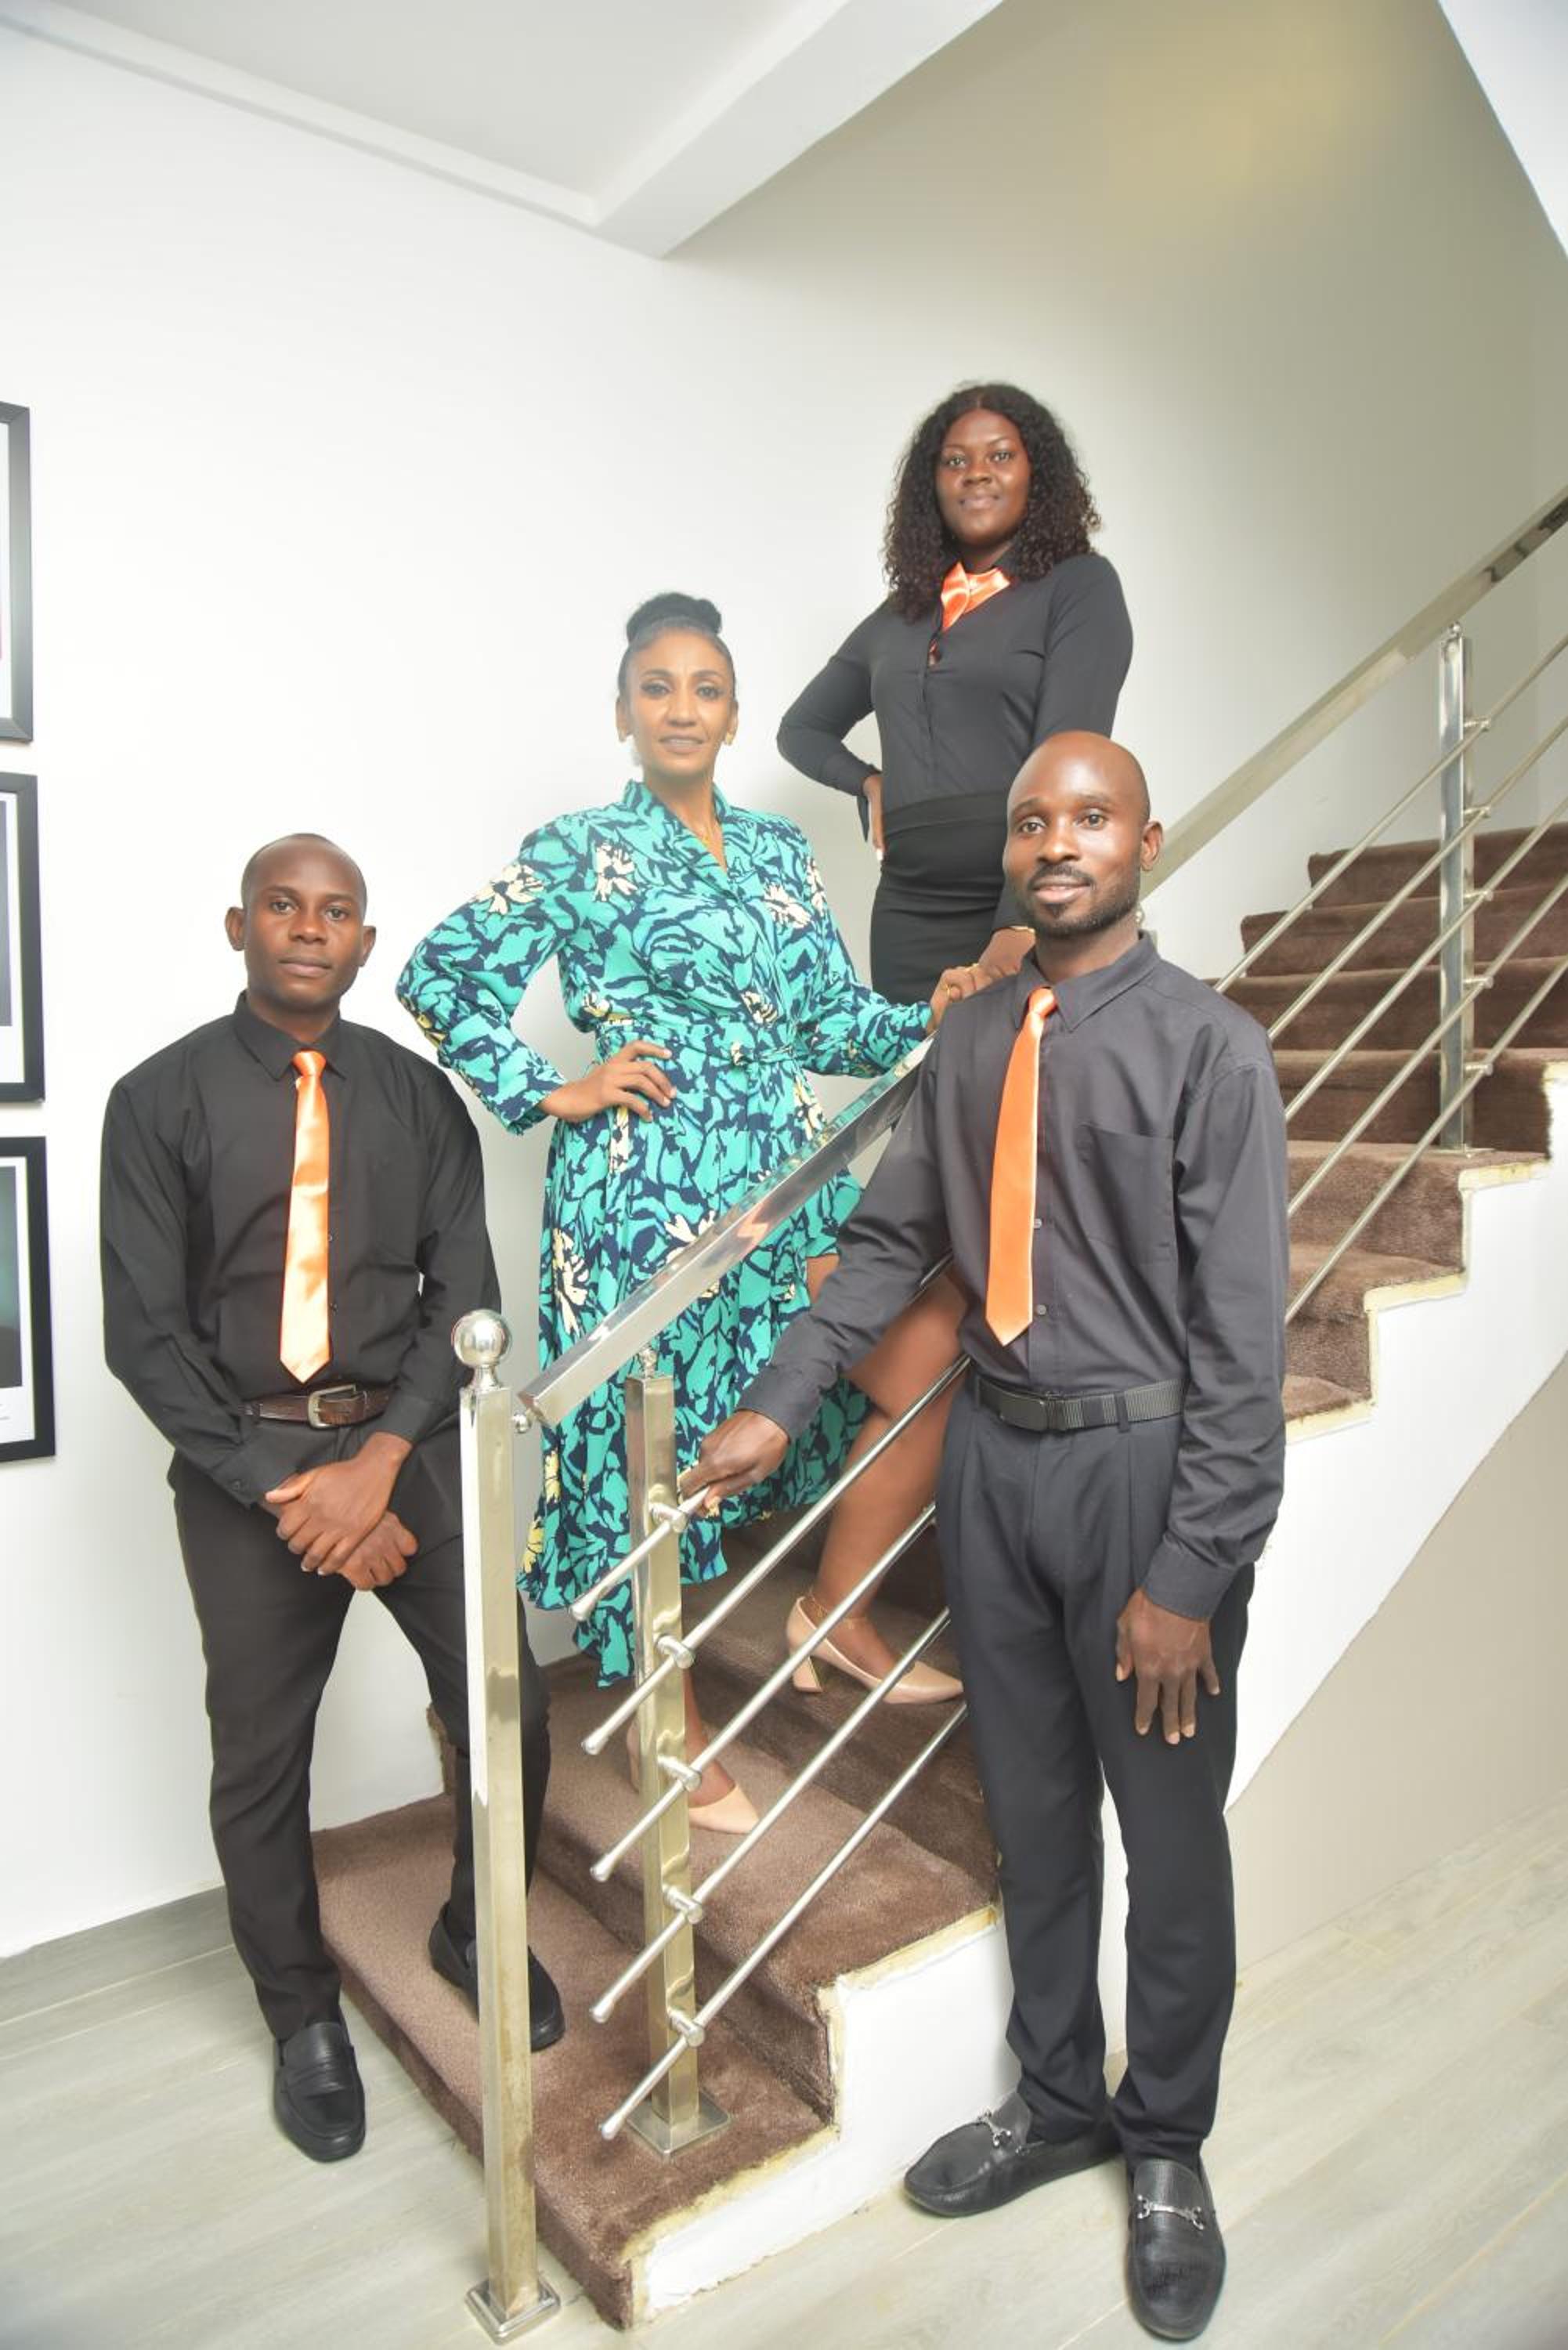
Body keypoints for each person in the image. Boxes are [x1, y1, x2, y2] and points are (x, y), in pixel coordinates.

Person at [688, 734, 1288, 2341]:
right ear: (1010, 854)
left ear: (1143, 840)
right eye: (1032, 821)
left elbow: (1241, 1349)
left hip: (1141, 1477)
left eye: (1088, 815)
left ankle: (1165, 2147)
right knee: (1032, 1817)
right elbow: (890, 1247)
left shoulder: (1209, 1049)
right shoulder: (966, 1044)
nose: (1055, 841)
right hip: (994, 1467)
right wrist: (775, 1405)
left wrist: (1190, 1571)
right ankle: (1057, 2101)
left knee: (1167, 1841)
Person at [398, 595, 988, 1830]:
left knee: (926, 1355)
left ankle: (834, 1608)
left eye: (704, 689)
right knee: (647, 1450)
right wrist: (550, 1088)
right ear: (622, 714)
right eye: (656, 688)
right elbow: (438, 975)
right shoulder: (576, 849)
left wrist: (924, 1013)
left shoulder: (778, 851)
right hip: (636, 1198)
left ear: (731, 713)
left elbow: (828, 1023)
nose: (681, 708)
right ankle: (660, 1719)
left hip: (782, 1182)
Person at [100, 833, 562, 2168]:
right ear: (237, 926)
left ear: (364, 943)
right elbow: (145, 1335)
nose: (309, 926)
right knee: (261, 1760)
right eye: (283, 905)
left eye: (336, 910)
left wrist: (379, 1464)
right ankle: (301, 2014)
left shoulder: (418, 1100)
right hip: (244, 1467)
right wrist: (285, 1489)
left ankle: (476, 1928)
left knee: (509, 1705)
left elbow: (464, 1302)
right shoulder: (158, 1100)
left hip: (404, 1447)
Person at [777, 382, 1133, 1006]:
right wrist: (869, 782)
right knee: (915, 1070)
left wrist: (1019, 921)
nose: (976, 473)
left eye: (1001, 455)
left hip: (1024, 894)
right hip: (908, 908)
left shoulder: (1080, 587)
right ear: (932, 485)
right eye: (955, 461)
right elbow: (801, 729)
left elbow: (1067, 761)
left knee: (1026, 1064)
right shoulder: (899, 616)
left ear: (1036, 474)